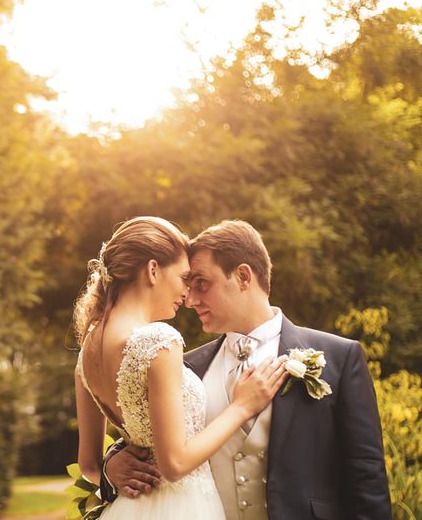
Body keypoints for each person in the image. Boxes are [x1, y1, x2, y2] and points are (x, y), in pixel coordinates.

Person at [100, 220, 392, 519]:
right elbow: (148, 437)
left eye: (201, 283)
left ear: (242, 276)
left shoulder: (339, 358)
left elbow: (366, 478)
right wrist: (111, 465)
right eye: (187, 286)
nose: (190, 300)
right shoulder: (184, 366)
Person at [74, 216, 289, 519]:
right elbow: (174, 464)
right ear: (152, 270)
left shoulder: (87, 351)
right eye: (184, 279)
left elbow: (90, 466)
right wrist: (242, 407)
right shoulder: (159, 340)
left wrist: (111, 467)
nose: (187, 295)